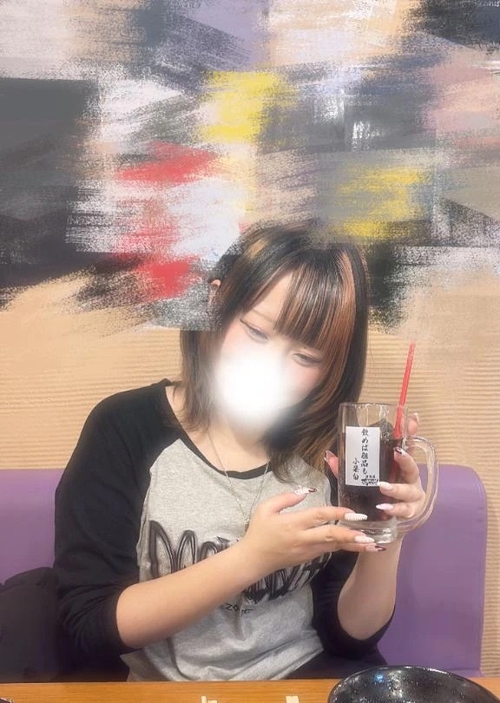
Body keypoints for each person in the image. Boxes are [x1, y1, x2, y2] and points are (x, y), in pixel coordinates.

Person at [53, 220, 425, 681]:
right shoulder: (124, 426)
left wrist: (387, 532)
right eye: (256, 332)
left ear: (333, 367)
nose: (270, 367)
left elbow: (351, 637)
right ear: (216, 302)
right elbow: (89, 626)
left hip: (302, 678)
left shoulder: (333, 450)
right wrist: (253, 558)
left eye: (306, 357)